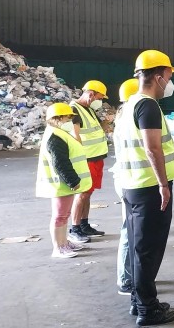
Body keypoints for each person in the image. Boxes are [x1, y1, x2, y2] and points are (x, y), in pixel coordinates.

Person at [118, 50, 174, 326]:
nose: (170, 81)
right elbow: (152, 148)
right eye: (169, 75)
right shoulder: (148, 106)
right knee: (148, 250)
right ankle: (148, 309)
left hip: (133, 185)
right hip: (149, 186)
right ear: (158, 76)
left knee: (138, 247)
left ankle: (138, 300)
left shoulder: (130, 104)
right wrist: (163, 184)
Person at [36, 103, 93, 258]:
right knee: (60, 216)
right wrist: (72, 181)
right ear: (58, 118)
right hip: (61, 184)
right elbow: (60, 162)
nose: (69, 121)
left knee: (64, 215)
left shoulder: (59, 133)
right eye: (67, 118)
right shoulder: (55, 137)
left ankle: (64, 242)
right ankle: (58, 247)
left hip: (63, 184)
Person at [68, 80, 109, 243]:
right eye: (100, 97)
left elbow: (96, 130)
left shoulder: (89, 109)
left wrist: (107, 122)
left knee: (88, 193)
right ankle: (74, 228)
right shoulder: (74, 109)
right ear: (91, 94)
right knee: (82, 194)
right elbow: (75, 135)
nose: (101, 101)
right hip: (86, 159)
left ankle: (84, 225)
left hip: (96, 157)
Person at [114, 78, 139, 295]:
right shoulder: (130, 119)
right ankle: (125, 279)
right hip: (130, 179)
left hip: (129, 177)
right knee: (129, 230)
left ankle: (132, 275)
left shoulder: (125, 117)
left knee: (132, 230)